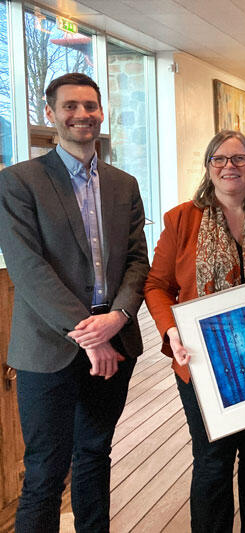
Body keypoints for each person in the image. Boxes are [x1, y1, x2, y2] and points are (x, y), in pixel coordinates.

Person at [0, 72, 149, 532]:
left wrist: (117, 318)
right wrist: (90, 335)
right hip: (49, 349)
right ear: (50, 114)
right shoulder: (18, 182)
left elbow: (137, 261)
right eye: (70, 106)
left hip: (115, 340)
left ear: (101, 113)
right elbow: (28, 269)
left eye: (90, 106)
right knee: (45, 472)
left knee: (94, 455)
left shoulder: (124, 184)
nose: (82, 114)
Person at [144, 130, 245, 532]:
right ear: (208, 167)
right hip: (203, 361)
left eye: (239, 158)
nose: (229, 166)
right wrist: (170, 330)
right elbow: (157, 285)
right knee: (212, 462)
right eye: (220, 159)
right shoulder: (181, 220)